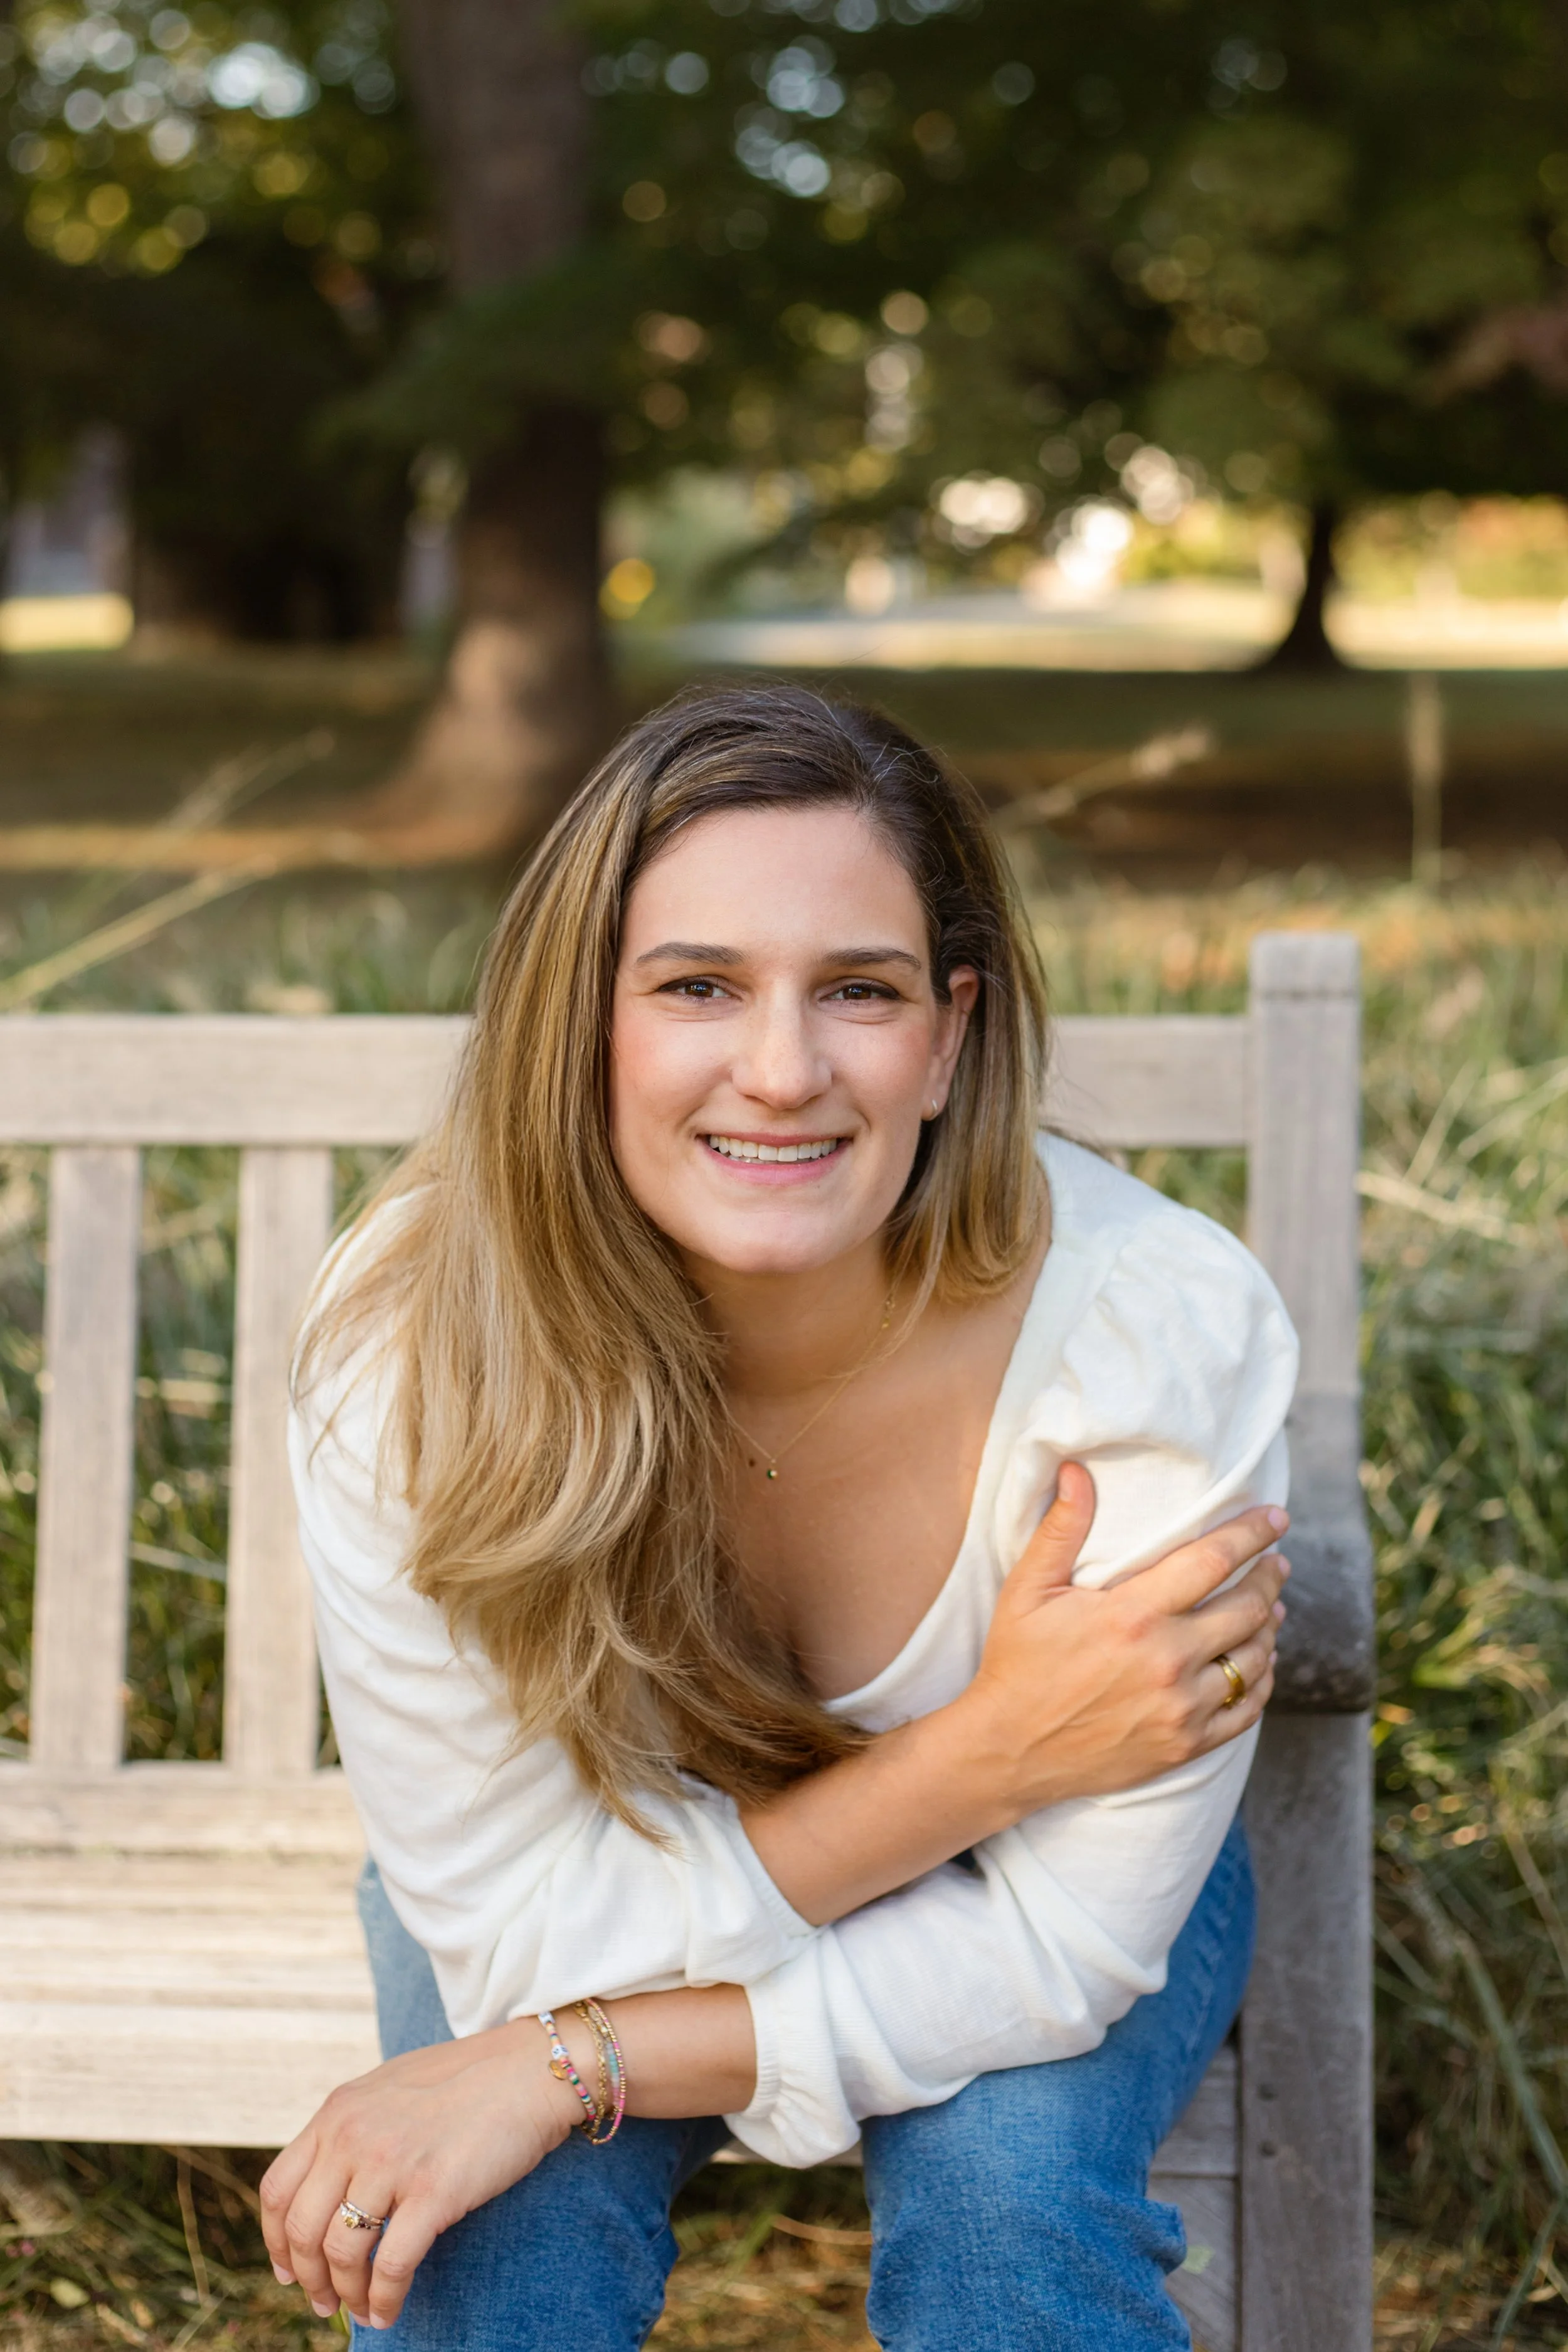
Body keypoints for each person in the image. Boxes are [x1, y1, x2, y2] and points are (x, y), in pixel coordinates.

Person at [262, 682, 1296, 2351]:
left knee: (1006, 2214)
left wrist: (562, 2059)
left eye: (860, 991)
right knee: (488, 2225)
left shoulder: (1150, 1336)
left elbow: (1064, 1943)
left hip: (1024, 1882)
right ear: (577, 1018)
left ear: (949, 1033)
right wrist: (986, 1750)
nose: (780, 1068)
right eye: (695, 985)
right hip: (594, 1862)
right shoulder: (417, 1334)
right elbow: (528, 1924)